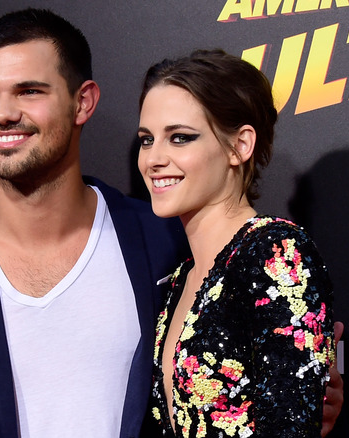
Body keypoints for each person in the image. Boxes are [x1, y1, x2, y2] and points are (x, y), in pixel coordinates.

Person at [0, 9, 342, 438]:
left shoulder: (169, 242)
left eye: (29, 91)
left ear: (83, 103)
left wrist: (302, 392)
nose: (2, 113)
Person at [136, 49, 335, 437]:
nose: (154, 159)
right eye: (146, 140)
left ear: (239, 146)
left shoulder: (276, 253)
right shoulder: (181, 276)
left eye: (180, 138)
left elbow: (290, 428)